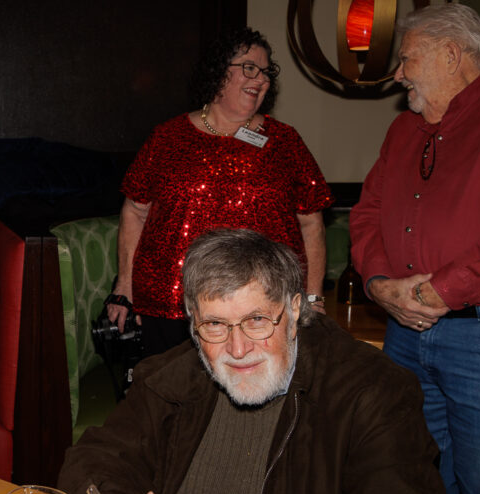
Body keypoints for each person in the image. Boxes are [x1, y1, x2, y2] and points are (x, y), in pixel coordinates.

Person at [59, 229, 449, 494]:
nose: (238, 348)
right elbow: (91, 463)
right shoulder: (171, 377)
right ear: (193, 324)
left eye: (257, 320)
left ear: (294, 311)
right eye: (215, 324)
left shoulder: (372, 391)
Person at [349, 3, 480, 494]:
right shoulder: (404, 129)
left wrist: (442, 290)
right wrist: (381, 284)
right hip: (406, 337)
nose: (399, 73)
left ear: (451, 54)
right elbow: (367, 213)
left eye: (407, 57)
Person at [108, 27, 332, 358]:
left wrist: (313, 298)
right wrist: (125, 287)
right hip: (172, 305)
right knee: (171, 388)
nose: (261, 78)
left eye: (266, 71)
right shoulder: (167, 138)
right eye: (249, 68)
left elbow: (312, 224)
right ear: (217, 72)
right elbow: (135, 211)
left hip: (262, 309)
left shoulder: (285, 142)